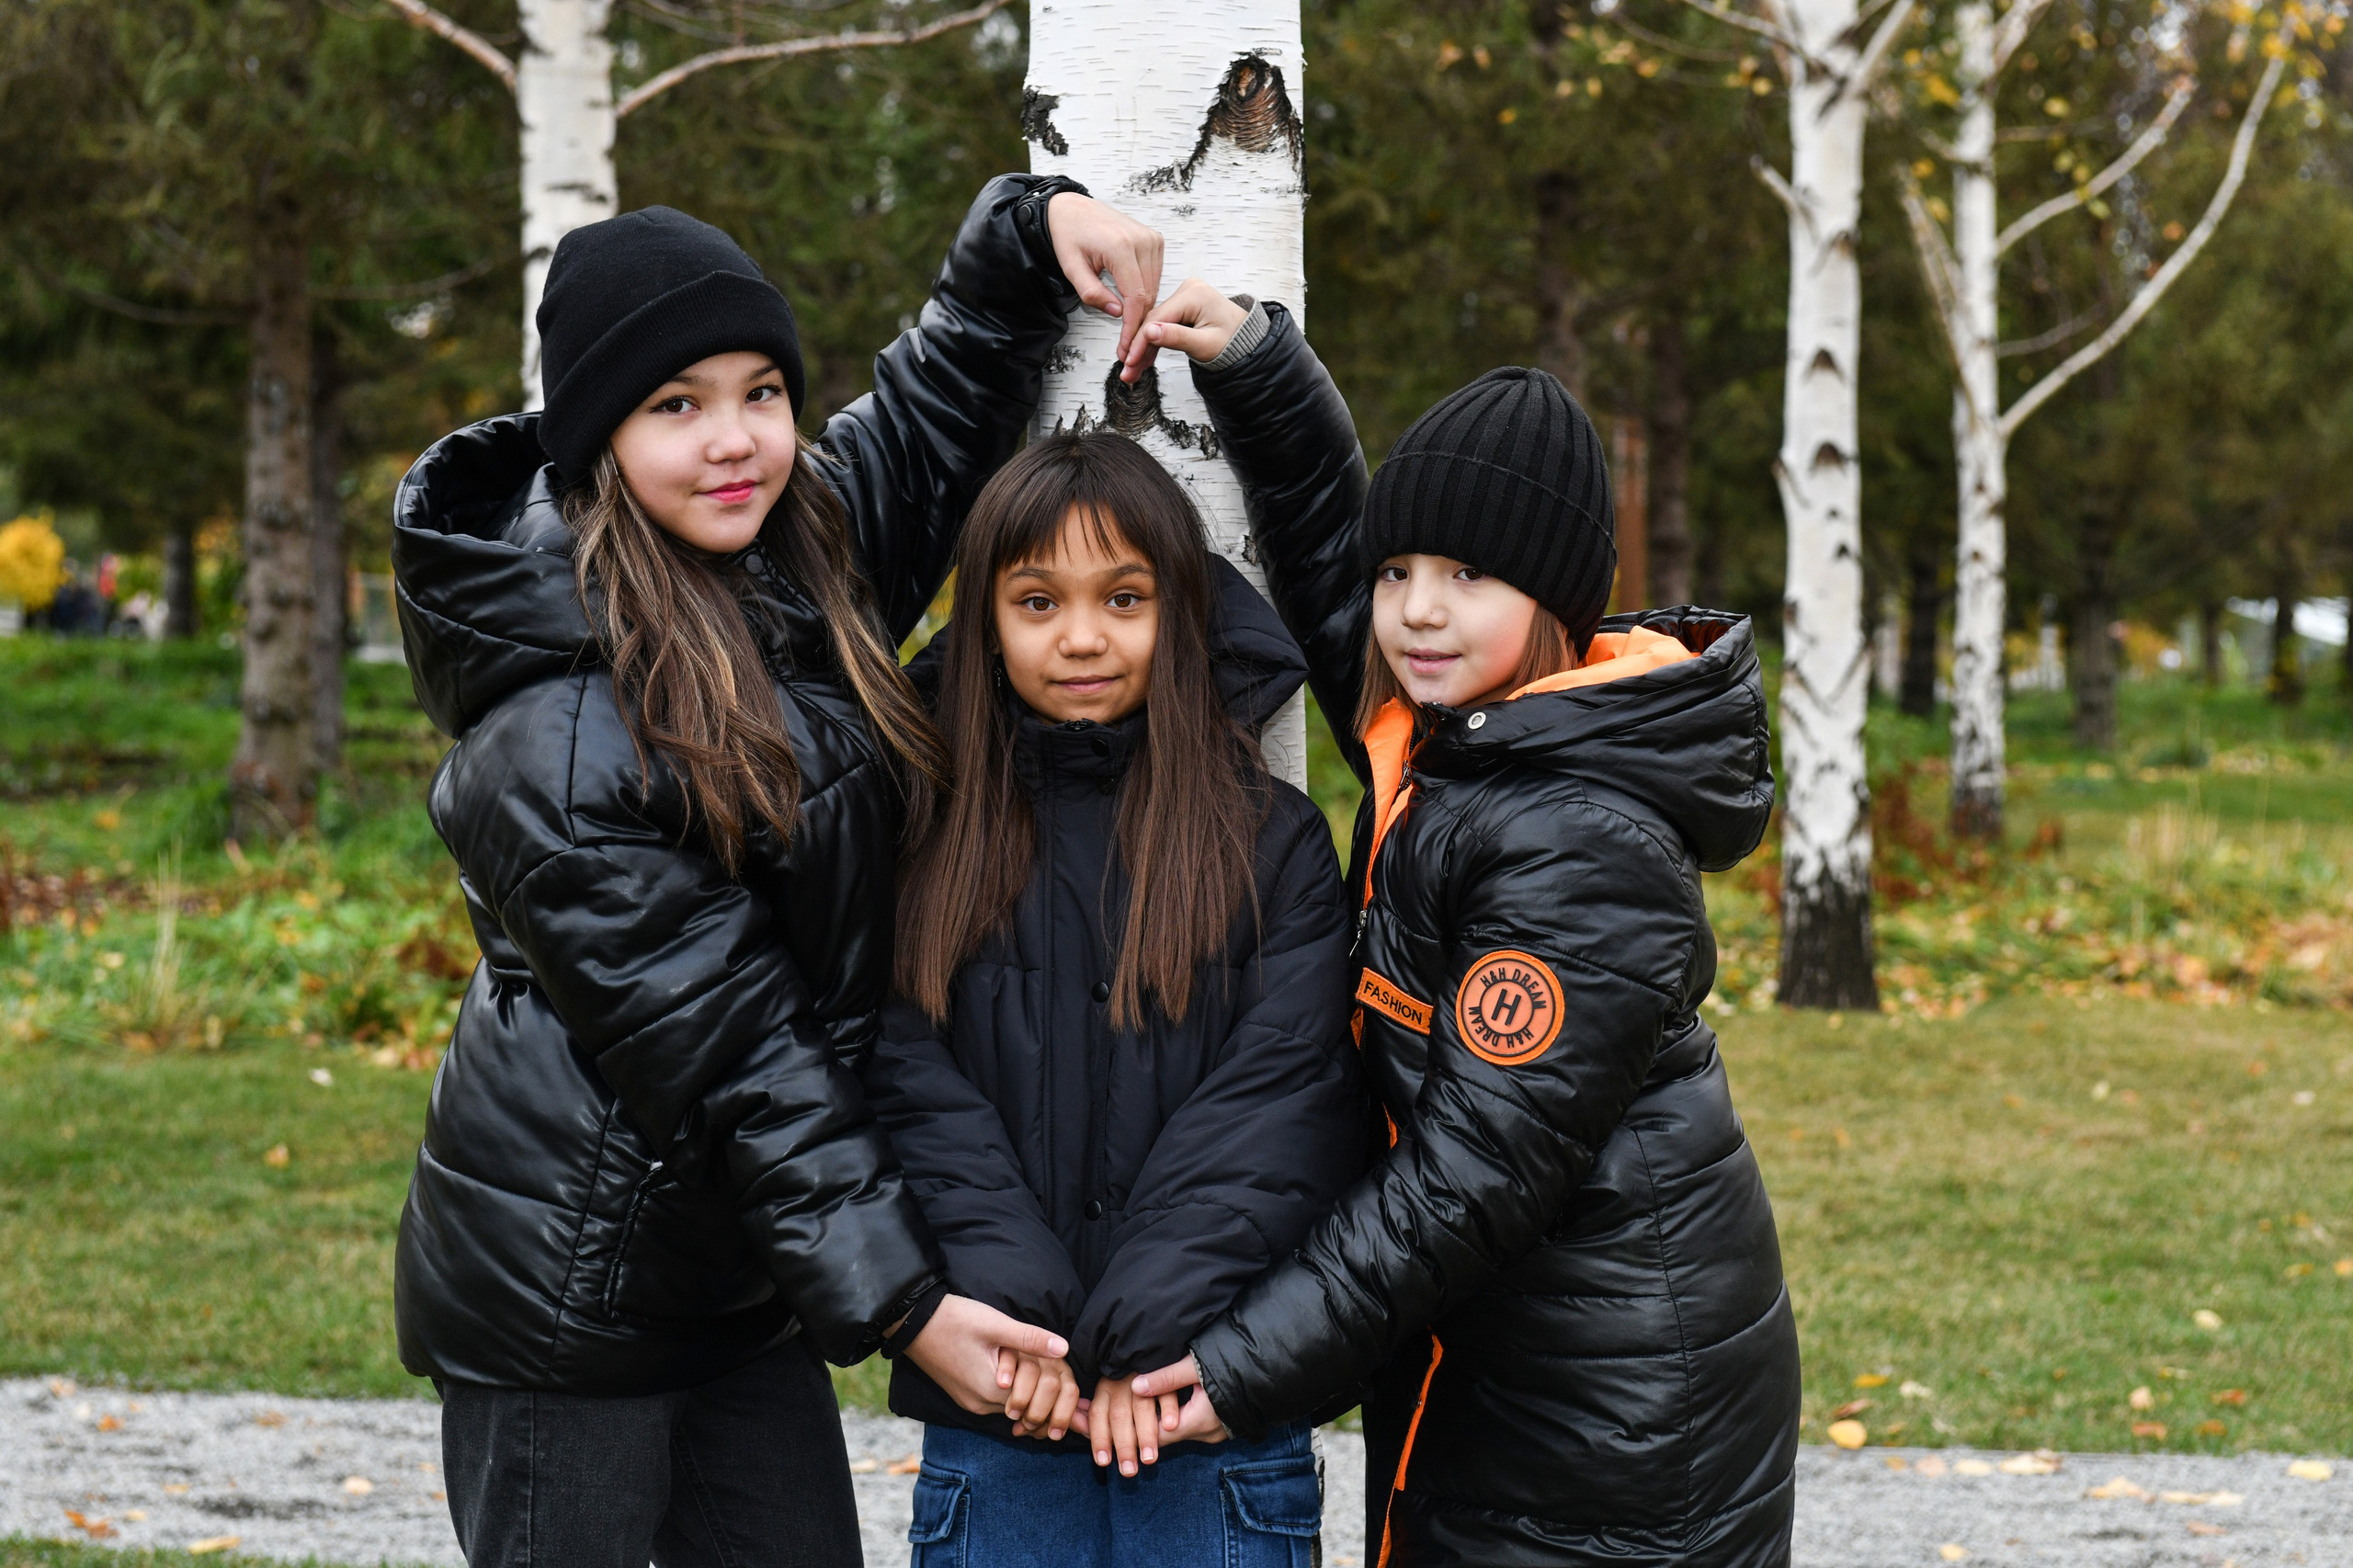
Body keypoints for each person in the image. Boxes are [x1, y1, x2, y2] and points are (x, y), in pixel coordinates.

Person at [388, 175, 1170, 1568]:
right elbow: (738, 1054)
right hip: (569, 1296)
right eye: (676, 405)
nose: (737, 441)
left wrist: (1026, 234)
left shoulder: (785, 550)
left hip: (734, 1271)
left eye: (762, 390)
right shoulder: (554, 738)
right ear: (598, 442)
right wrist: (910, 1306)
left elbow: (927, 422)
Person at [1125, 288, 1802, 1566]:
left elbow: (1471, 1174)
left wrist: (1243, 1365)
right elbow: (1338, 580)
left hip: (1609, 1424)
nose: (1419, 610)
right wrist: (1268, 373)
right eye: (1404, 573)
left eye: (1467, 575)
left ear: (1554, 600)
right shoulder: (1475, 735)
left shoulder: (1579, 841)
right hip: (1519, 1363)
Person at [862, 429, 1369, 1567]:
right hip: (1003, 1402)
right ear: (985, 622)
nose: (1081, 637)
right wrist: (1031, 1313)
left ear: (1179, 612)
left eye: (1123, 596)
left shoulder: (1271, 842)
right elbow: (903, 1080)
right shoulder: (925, 844)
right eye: (1036, 600)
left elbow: (1287, 1097)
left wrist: (1142, 1325)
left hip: (1204, 1403)